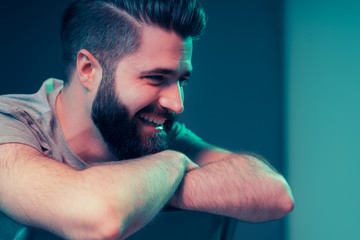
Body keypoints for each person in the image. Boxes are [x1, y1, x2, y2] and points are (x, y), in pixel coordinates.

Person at [0, 0, 294, 239]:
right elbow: (98, 215)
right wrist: (172, 164)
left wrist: (156, 190)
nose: (177, 104)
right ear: (88, 69)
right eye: (156, 78)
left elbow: (275, 192)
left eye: (182, 80)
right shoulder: (10, 124)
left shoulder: (147, 132)